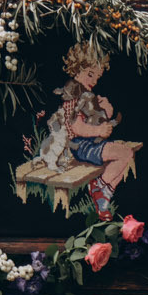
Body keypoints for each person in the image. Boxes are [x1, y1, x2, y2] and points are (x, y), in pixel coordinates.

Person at [57, 40, 136, 219]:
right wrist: (99, 131)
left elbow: (93, 120)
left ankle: (103, 196)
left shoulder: (86, 94)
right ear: (77, 69)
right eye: (90, 74)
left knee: (126, 155)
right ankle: (100, 187)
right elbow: (76, 127)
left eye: (97, 77)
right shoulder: (73, 93)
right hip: (79, 145)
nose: (94, 81)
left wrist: (106, 112)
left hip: (90, 142)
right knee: (125, 153)